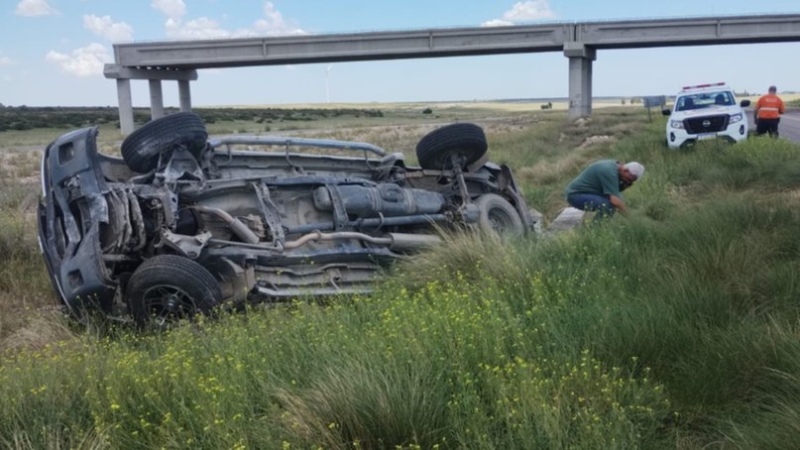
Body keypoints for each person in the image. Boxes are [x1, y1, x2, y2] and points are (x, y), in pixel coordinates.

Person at [564, 160, 644, 220]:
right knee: (608, 206)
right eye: (629, 179)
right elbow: (615, 201)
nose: (629, 181)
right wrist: (632, 219)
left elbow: (614, 192)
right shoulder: (609, 171)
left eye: (631, 182)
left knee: (618, 201)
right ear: (625, 170)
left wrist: (625, 185)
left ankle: (598, 228)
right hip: (575, 195)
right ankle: (593, 232)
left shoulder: (615, 168)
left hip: (589, 193)